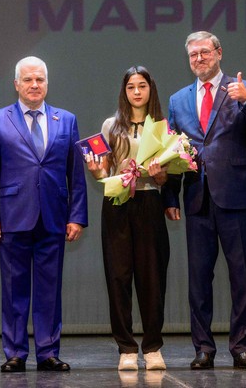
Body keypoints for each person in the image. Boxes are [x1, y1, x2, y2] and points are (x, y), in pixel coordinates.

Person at [164, 31, 246, 370]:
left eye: (205, 52)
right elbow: (172, 152)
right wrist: (170, 196)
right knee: (199, 280)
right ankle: (203, 349)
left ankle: (241, 347)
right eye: (193, 55)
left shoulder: (243, 88)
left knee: (241, 277)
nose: (199, 58)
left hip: (235, 196)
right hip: (197, 198)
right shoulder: (178, 100)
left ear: (219, 53)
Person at [0, 56, 88, 373]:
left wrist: (77, 216)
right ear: (16, 84)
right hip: (12, 217)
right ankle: (15, 352)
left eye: (40, 79)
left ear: (47, 84)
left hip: (54, 217)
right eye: (28, 79)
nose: (34, 85)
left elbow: (76, 175)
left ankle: (48, 352)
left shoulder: (66, 120)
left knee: (49, 290)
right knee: (14, 289)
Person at [85, 66, 172, 372]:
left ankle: (153, 347)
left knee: (152, 278)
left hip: (149, 202)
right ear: (124, 91)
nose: (136, 91)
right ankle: (126, 348)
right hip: (117, 203)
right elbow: (103, 171)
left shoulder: (161, 126)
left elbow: (166, 177)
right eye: (131, 86)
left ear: (151, 89)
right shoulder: (111, 125)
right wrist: (96, 170)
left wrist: (160, 176)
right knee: (118, 276)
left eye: (142, 86)